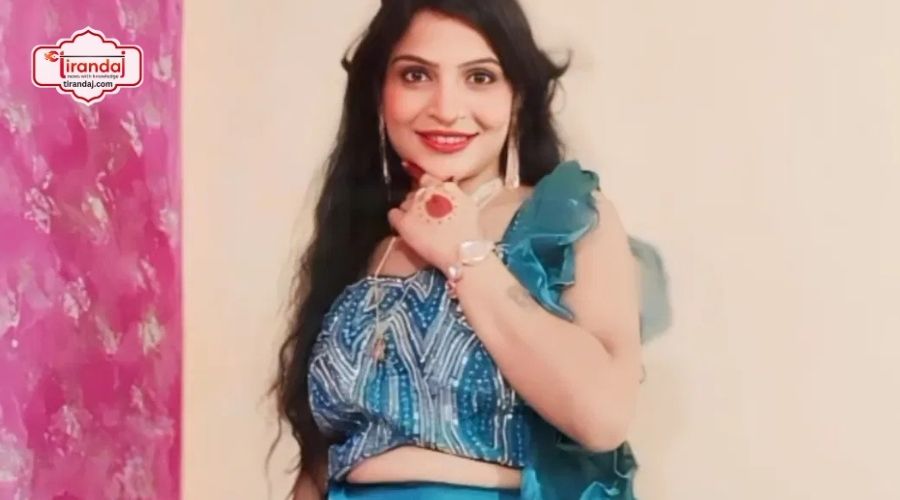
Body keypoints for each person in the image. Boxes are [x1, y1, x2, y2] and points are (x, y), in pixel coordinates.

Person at [270, 1, 672, 498]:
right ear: (379, 92)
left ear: (517, 96)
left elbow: (603, 416)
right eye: (416, 75)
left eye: (479, 77)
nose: (446, 108)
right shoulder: (361, 241)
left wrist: (465, 254)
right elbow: (320, 457)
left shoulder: (565, 220)